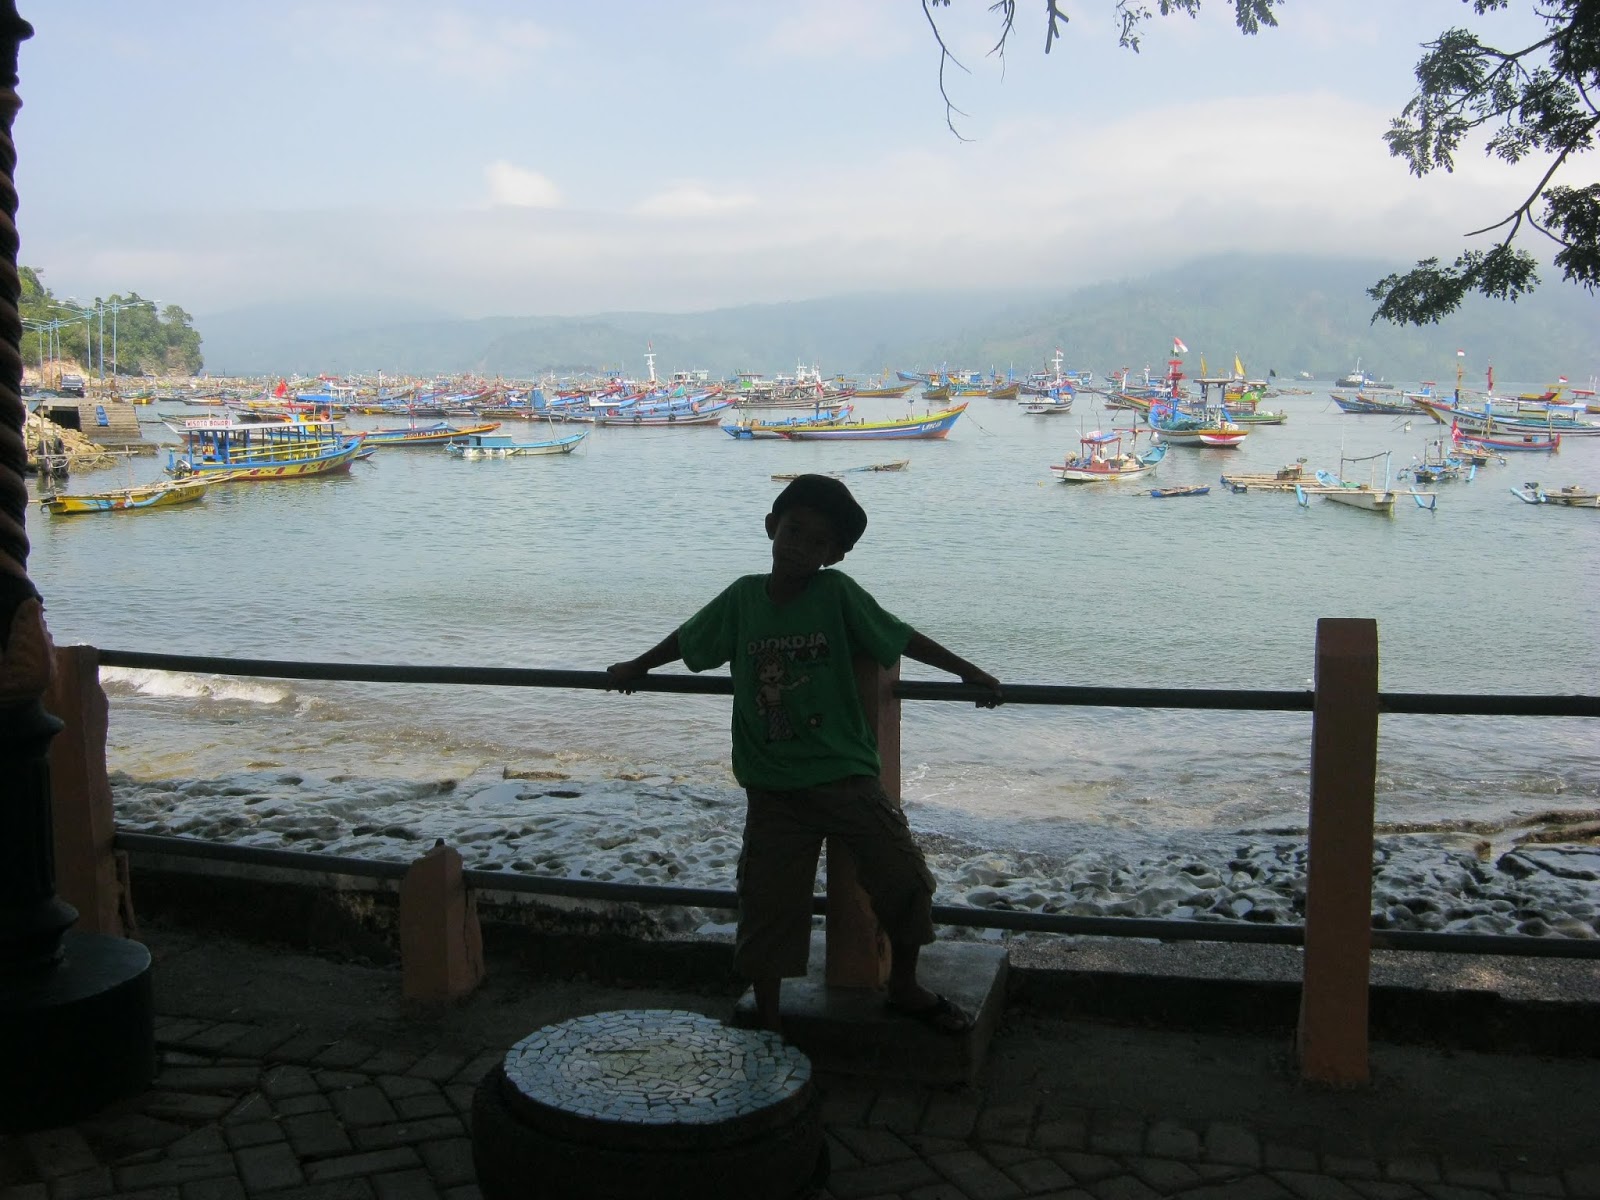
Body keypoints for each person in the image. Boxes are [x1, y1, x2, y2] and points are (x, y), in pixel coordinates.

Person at [606, 474, 1002, 1035]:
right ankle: (768, 1021)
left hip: (847, 777)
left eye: (817, 542)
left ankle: (905, 986)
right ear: (772, 527)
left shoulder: (837, 594)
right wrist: (636, 668)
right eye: (792, 531)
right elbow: (689, 638)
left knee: (906, 880)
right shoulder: (743, 597)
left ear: (833, 555)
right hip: (772, 787)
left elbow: (899, 636)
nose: (799, 546)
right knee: (768, 907)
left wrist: (970, 673)